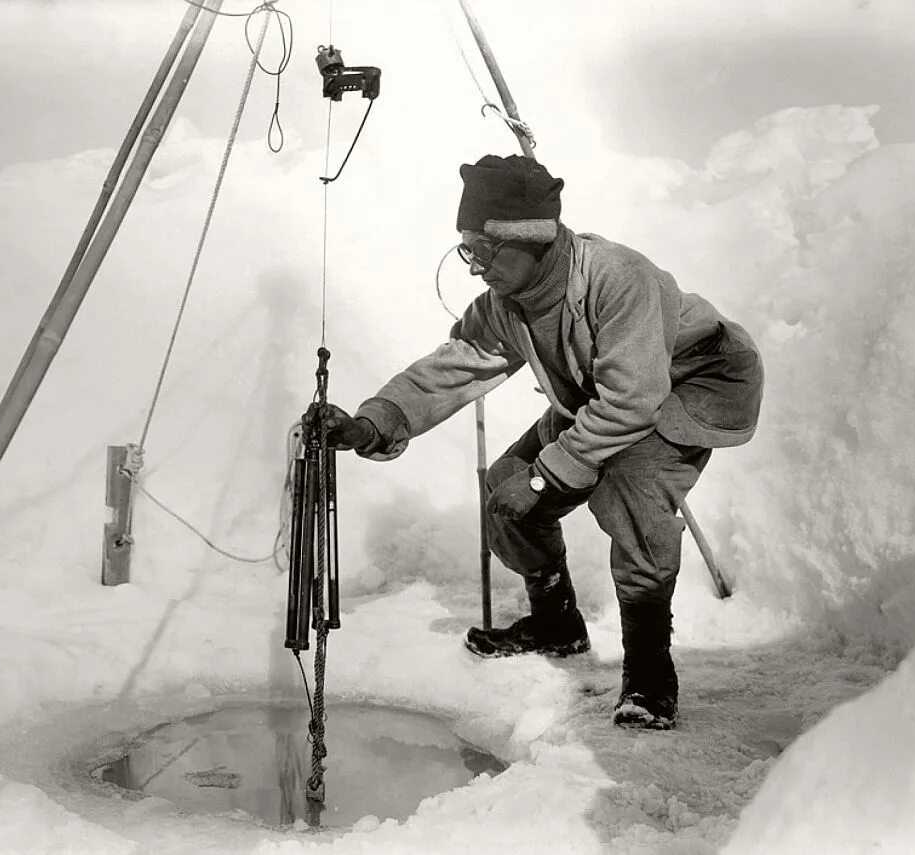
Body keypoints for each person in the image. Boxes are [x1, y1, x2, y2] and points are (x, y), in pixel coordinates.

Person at [307, 154, 763, 730]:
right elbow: (459, 363)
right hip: (604, 392)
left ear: (532, 240)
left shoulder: (620, 278)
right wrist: (375, 422)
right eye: (466, 250)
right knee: (506, 487)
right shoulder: (507, 301)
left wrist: (546, 476)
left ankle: (650, 675)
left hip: (695, 379)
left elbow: (632, 402)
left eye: (485, 251)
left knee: (630, 486)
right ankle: (557, 625)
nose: (476, 268)